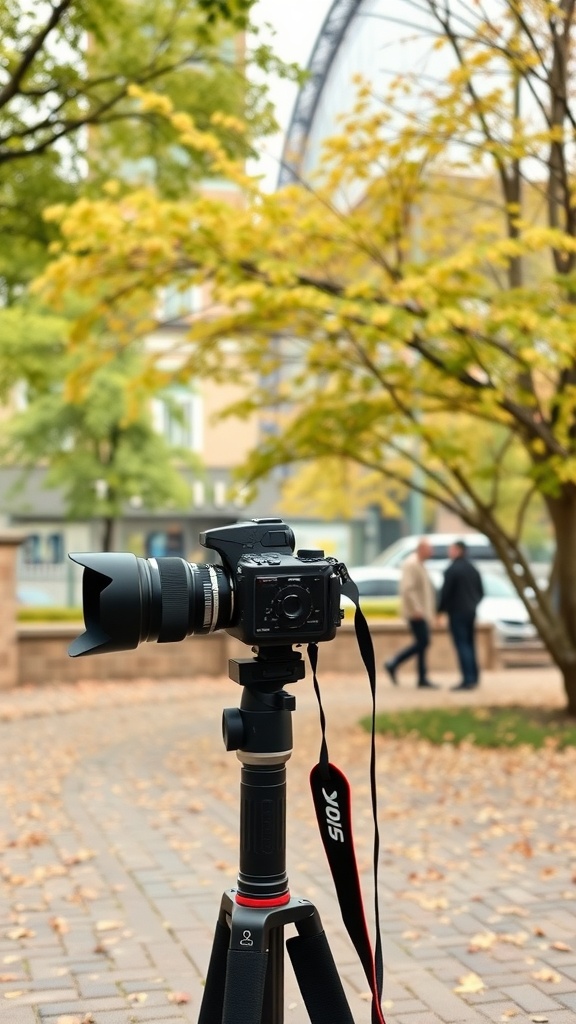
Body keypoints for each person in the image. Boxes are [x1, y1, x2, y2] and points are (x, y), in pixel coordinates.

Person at [384, 538, 439, 689]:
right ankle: (394, 662)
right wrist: (416, 609)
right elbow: (407, 589)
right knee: (423, 642)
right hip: (416, 613)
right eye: (429, 549)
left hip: (422, 612)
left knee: (422, 643)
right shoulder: (411, 564)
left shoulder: (420, 565)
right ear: (421, 549)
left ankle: (422, 677)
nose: (432, 552)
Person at [438, 540, 484, 691]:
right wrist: (473, 604)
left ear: (458, 550)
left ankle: (468, 679)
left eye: (451, 549)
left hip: (457, 612)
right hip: (470, 611)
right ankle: (474, 676)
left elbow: (445, 593)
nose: (449, 552)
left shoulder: (452, 570)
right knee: (470, 644)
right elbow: (481, 591)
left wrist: (440, 610)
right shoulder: (472, 569)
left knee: (462, 644)